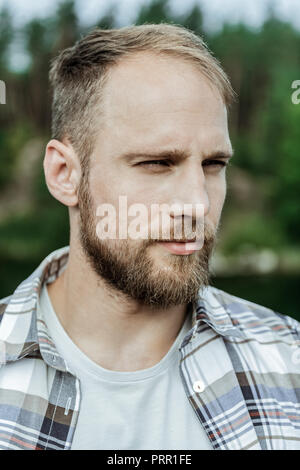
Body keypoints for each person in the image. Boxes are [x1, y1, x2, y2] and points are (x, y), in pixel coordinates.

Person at [0, 23, 299, 451]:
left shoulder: (289, 363)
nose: (197, 203)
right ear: (64, 175)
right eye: (158, 163)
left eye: (214, 164)